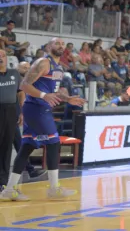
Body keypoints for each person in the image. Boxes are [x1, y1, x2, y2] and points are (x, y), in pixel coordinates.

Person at [0, 38, 85, 201]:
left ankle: (9, 189)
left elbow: (52, 91)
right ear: (49, 47)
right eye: (57, 43)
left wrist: (68, 99)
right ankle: (54, 188)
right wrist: (44, 96)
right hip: (35, 108)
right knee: (53, 142)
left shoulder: (58, 67)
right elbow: (24, 85)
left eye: (62, 44)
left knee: (27, 147)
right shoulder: (43, 62)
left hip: (41, 108)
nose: (60, 45)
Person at [0, 48, 22, 188]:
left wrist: (21, 111)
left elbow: (20, 93)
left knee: (7, 147)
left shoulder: (14, 74)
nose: (0, 58)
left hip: (11, 111)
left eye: (2, 55)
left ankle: (2, 182)